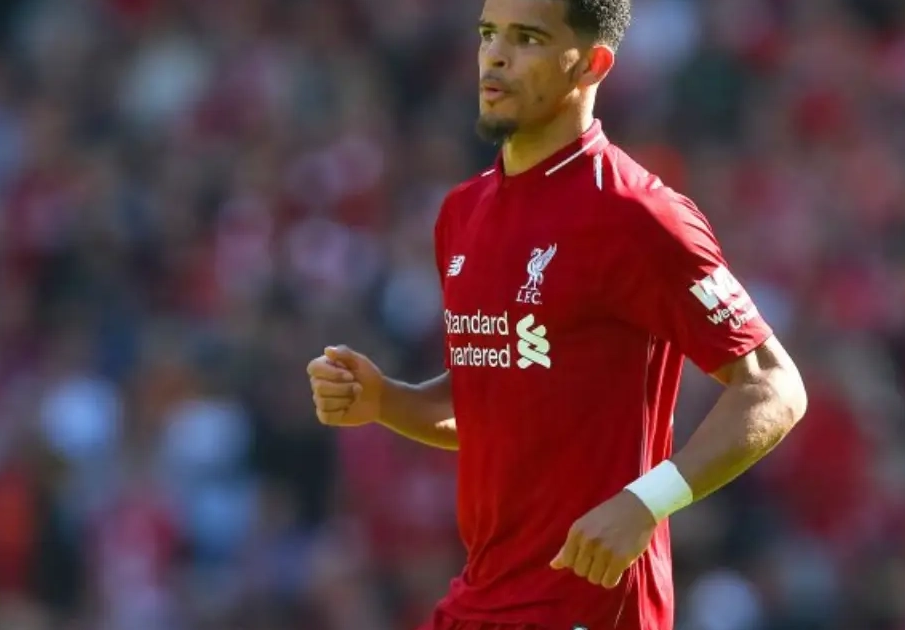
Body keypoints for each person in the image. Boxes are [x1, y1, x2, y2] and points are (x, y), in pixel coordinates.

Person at [305, 0, 809, 628]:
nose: (495, 55)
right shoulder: (462, 212)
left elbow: (773, 386)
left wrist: (646, 502)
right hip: (479, 601)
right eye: (488, 33)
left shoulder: (637, 215)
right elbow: (493, 402)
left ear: (592, 64)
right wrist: (385, 400)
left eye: (527, 38)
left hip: (591, 604)